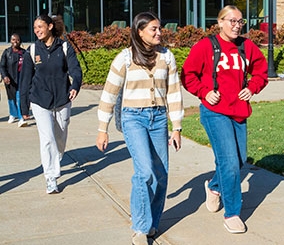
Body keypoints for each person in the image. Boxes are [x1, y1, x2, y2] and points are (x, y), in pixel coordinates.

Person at [96, 12, 184, 245]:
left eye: (159, 28)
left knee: (161, 174)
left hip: (158, 119)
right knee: (144, 172)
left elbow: (174, 92)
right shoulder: (124, 58)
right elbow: (109, 93)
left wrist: (176, 127)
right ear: (139, 31)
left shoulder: (167, 57)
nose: (159, 32)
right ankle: (140, 227)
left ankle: (152, 223)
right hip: (133, 118)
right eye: (153, 29)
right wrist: (102, 128)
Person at [181, 5, 268, 234]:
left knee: (239, 161)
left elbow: (261, 71)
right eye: (232, 21)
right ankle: (232, 214)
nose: (237, 25)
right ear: (219, 22)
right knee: (229, 162)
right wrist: (204, 91)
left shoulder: (247, 46)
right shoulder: (205, 46)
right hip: (214, 111)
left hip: (238, 109)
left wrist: (252, 87)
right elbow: (187, 75)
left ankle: (214, 187)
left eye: (240, 22)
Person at [19, 15, 83, 194]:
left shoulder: (64, 47)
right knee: (47, 139)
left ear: (50, 26)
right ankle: (51, 177)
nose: (36, 30)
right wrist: (24, 108)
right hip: (40, 101)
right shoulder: (32, 51)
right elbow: (25, 81)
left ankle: (56, 159)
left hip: (63, 100)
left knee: (60, 138)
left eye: (40, 26)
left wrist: (75, 85)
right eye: (34, 27)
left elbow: (76, 70)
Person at [0, 33, 28, 127]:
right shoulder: (7, 53)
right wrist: (4, 76)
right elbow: (2, 66)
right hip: (10, 78)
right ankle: (13, 114)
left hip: (21, 78)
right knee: (11, 98)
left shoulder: (24, 53)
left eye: (17, 40)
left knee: (19, 98)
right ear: (10, 41)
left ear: (20, 41)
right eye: (13, 40)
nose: (15, 42)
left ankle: (21, 118)